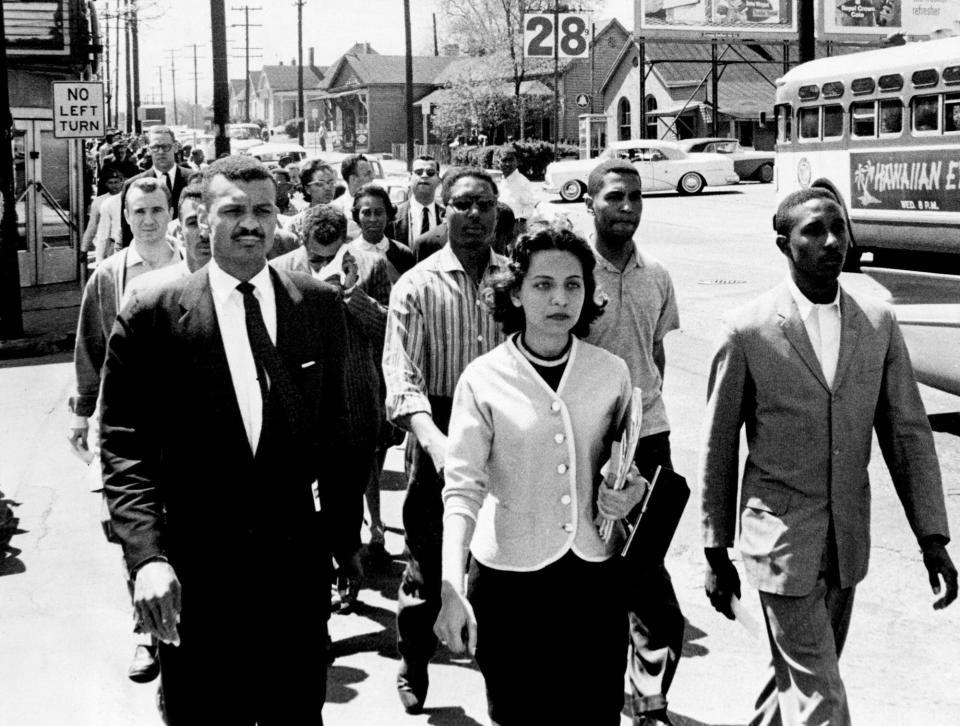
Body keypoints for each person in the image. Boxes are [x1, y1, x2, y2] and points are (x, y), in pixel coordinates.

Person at [99, 156, 354, 724]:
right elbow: (122, 445)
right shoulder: (152, 315)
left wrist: (341, 539)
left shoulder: (315, 304)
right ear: (197, 219)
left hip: (293, 576)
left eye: (262, 210)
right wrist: (147, 558)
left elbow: (338, 430)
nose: (250, 224)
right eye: (232, 210)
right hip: (196, 576)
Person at [700, 187, 958, 726]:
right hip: (779, 546)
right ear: (783, 244)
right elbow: (718, 446)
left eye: (839, 227)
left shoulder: (878, 320)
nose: (833, 241)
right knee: (822, 703)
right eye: (814, 231)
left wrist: (932, 537)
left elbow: (907, 433)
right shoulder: (747, 329)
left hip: (846, 545)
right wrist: (714, 549)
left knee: (795, 684)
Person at [434, 222, 646, 725]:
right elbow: (462, 489)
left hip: (593, 579)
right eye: (543, 284)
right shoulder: (483, 377)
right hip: (510, 584)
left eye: (573, 285)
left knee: (596, 714)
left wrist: (630, 491)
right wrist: (450, 583)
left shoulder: (610, 371)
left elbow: (625, 466)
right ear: (516, 291)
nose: (560, 299)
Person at [382, 167, 508, 714]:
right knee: (428, 564)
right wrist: (434, 440)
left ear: (498, 211)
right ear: (445, 212)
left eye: (484, 205)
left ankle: (503, 684)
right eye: (462, 205)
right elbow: (400, 378)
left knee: (501, 564)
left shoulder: (517, 280)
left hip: (508, 429)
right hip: (438, 425)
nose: (474, 216)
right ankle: (413, 662)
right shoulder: (417, 284)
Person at [69, 176, 182, 685]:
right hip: (129, 419)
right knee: (131, 524)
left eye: (157, 209)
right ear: (125, 218)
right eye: (139, 212)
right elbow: (91, 346)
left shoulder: (195, 265)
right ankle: (145, 632)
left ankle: (184, 622)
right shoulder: (110, 277)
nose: (150, 220)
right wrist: (82, 412)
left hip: (187, 421)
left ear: (170, 212)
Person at [583, 160, 684, 726]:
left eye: (636, 198)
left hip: (649, 436)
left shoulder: (657, 275)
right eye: (616, 197)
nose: (627, 208)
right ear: (591, 204)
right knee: (595, 571)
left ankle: (648, 699)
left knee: (646, 575)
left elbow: (657, 353)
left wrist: (645, 405)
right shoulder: (574, 272)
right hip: (587, 442)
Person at [271, 203, 391, 602]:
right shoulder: (281, 269)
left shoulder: (371, 266)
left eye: (332, 255)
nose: (324, 263)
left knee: (344, 503)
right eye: (316, 257)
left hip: (355, 406)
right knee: (299, 508)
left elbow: (390, 330)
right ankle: (317, 586)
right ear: (302, 240)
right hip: (298, 411)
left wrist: (354, 297)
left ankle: (347, 566)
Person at [124, 182, 211, 298]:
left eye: (211, 222)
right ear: (180, 231)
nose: (204, 233)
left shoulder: (241, 283)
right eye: (193, 223)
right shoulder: (147, 291)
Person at [119, 126, 194, 247]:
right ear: (149, 149)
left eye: (165, 146)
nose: (160, 152)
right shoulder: (133, 185)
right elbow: (127, 232)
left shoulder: (193, 180)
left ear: (175, 147)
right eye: (155, 147)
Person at [352, 183, 415, 283]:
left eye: (378, 212)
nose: (373, 219)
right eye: (367, 213)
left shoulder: (403, 254)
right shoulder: (349, 253)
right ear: (357, 216)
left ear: (388, 215)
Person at [391, 155, 444, 248]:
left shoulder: (446, 216)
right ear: (410, 177)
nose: (424, 175)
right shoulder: (393, 216)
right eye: (419, 172)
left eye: (430, 172)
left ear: (438, 179)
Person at [81, 167, 125, 266]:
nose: (114, 186)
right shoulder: (99, 201)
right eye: (111, 182)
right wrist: (84, 248)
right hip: (108, 243)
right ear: (105, 184)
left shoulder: (128, 198)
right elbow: (92, 226)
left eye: (116, 182)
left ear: (122, 182)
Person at [285, 158, 337, 241]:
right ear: (307, 189)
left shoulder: (343, 218)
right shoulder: (297, 224)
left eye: (331, 183)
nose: (328, 188)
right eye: (320, 184)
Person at [330, 153, 374, 238]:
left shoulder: (379, 203)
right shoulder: (335, 209)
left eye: (372, 173)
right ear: (353, 179)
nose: (373, 177)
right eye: (367, 174)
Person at [495, 145, 537, 235]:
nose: (507, 164)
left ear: (517, 162)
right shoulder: (501, 181)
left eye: (511, 160)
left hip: (515, 228)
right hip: (500, 227)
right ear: (498, 163)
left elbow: (529, 206)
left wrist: (519, 224)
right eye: (504, 160)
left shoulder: (523, 182)